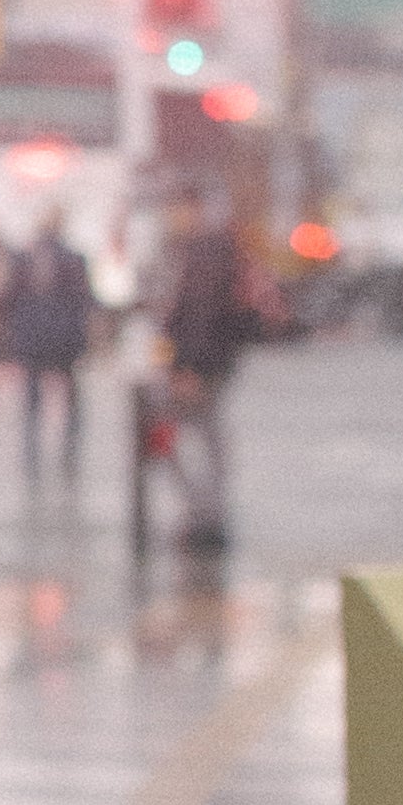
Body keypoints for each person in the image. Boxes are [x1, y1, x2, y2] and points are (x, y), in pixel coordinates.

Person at [158, 193, 257, 549]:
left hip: (198, 368)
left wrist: (187, 368)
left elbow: (200, 317)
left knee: (169, 436)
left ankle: (204, 516)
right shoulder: (213, 250)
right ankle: (207, 514)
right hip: (212, 365)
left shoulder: (204, 253)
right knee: (206, 441)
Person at [6, 207, 94, 475]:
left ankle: (34, 452)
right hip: (63, 339)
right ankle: (67, 452)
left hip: (35, 339)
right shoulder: (73, 259)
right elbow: (84, 300)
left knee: (35, 400)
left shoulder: (24, 258)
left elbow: (9, 299)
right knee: (69, 399)